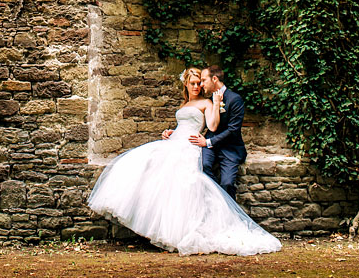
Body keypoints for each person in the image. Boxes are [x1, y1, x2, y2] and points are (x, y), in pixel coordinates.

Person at [87, 67, 281, 255]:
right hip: (174, 140)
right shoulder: (184, 104)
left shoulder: (206, 102)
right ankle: (156, 226)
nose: (196, 87)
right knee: (149, 168)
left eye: (199, 83)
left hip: (190, 144)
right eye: (193, 84)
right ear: (186, 84)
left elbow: (212, 125)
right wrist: (169, 131)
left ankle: (178, 232)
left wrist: (215, 103)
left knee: (182, 180)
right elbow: (183, 124)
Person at [192, 65, 247, 200]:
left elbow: (233, 130)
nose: (201, 84)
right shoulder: (207, 100)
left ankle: (229, 212)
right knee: (203, 166)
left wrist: (209, 142)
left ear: (214, 79)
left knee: (227, 183)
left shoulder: (235, 99)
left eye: (204, 80)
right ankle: (218, 201)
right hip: (210, 146)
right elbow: (197, 122)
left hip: (230, 148)